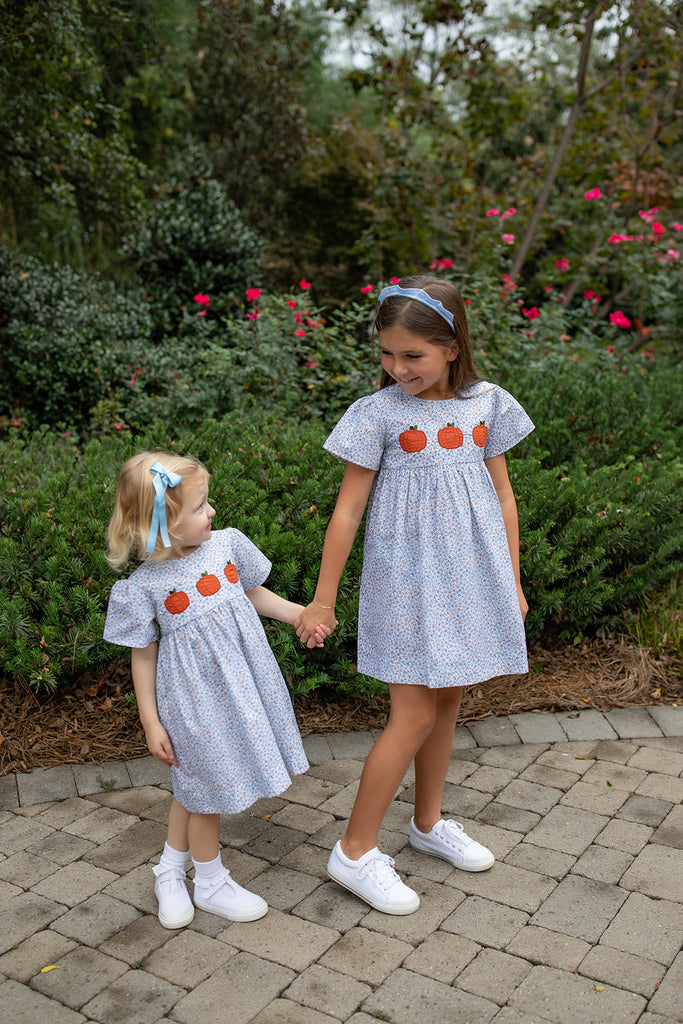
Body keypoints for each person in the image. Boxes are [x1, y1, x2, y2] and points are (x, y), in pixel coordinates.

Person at [296, 274, 534, 915]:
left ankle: (427, 824)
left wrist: (511, 580)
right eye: (387, 353)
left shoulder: (487, 404)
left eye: (413, 355)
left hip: (471, 579)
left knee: (448, 700)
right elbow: (347, 512)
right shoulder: (376, 414)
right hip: (407, 588)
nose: (397, 368)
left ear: (452, 348)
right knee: (413, 717)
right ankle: (354, 851)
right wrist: (323, 599)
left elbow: (503, 497)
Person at [104, 450, 327, 929]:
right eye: (199, 507)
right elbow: (143, 656)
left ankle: (168, 872)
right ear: (165, 524)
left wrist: (300, 615)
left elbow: (253, 593)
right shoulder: (142, 588)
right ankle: (209, 881)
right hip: (193, 703)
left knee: (196, 783)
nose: (211, 512)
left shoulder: (226, 545)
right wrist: (150, 721)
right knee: (208, 789)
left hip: (242, 687)